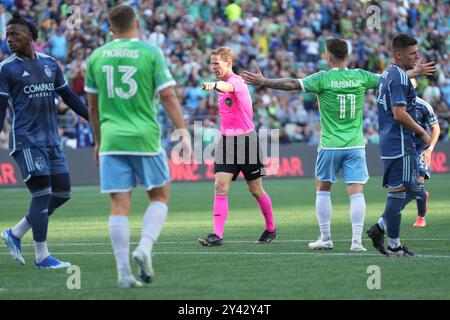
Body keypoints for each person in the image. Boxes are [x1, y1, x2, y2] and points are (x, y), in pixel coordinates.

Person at [240, 38, 436, 252]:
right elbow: (389, 79)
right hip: (355, 145)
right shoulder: (360, 76)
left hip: (330, 144)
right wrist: (414, 73)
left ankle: (325, 238)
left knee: (323, 188)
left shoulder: (323, 79)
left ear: (328, 56)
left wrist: (265, 81)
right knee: (356, 191)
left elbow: (292, 84)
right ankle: (356, 242)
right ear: (347, 56)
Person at [85, 5, 191, 288]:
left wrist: (97, 140)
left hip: (111, 139)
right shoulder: (149, 52)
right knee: (159, 196)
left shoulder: (96, 56)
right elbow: (167, 95)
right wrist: (182, 131)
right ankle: (144, 247)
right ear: (137, 23)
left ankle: (123, 274)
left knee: (119, 206)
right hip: (144, 137)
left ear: (111, 28)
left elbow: (92, 106)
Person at [0, 12, 89, 268]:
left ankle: (15, 233)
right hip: (27, 140)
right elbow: (1, 109)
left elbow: (69, 97)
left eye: (14, 34)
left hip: (51, 140)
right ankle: (42, 256)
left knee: (63, 192)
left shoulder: (50, 63)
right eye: (7, 35)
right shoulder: (6, 69)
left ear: (30, 35)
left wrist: (92, 120)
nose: (9, 39)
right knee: (42, 195)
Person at [198, 46, 277, 247]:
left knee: (256, 190)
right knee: (220, 186)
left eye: (217, 63)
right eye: (212, 63)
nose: (213, 66)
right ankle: (217, 235)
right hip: (226, 143)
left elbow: (227, 88)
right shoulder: (221, 84)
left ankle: (270, 228)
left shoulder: (236, 82)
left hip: (246, 142)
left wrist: (214, 85)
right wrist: (216, 84)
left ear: (228, 64)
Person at [367, 33, 432, 256]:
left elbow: (400, 79)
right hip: (401, 142)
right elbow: (399, 113)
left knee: (415, 189)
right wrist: (423, 132)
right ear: (398, 54)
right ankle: (394, 245)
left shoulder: (389, 73)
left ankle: (381, 227)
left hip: (392, 142)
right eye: (413, 54)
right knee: (400, 191)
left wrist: (416, 72)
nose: (417, 56)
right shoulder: (400, 78)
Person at [410, 95, 440, 227]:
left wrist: (430, 149)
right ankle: (422, 195)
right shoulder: (394, 104)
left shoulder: (424, 106)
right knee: (405, 187)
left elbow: (436, 128)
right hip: (404, 148)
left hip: (421, 148)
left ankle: (421, 218)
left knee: (419, 181)